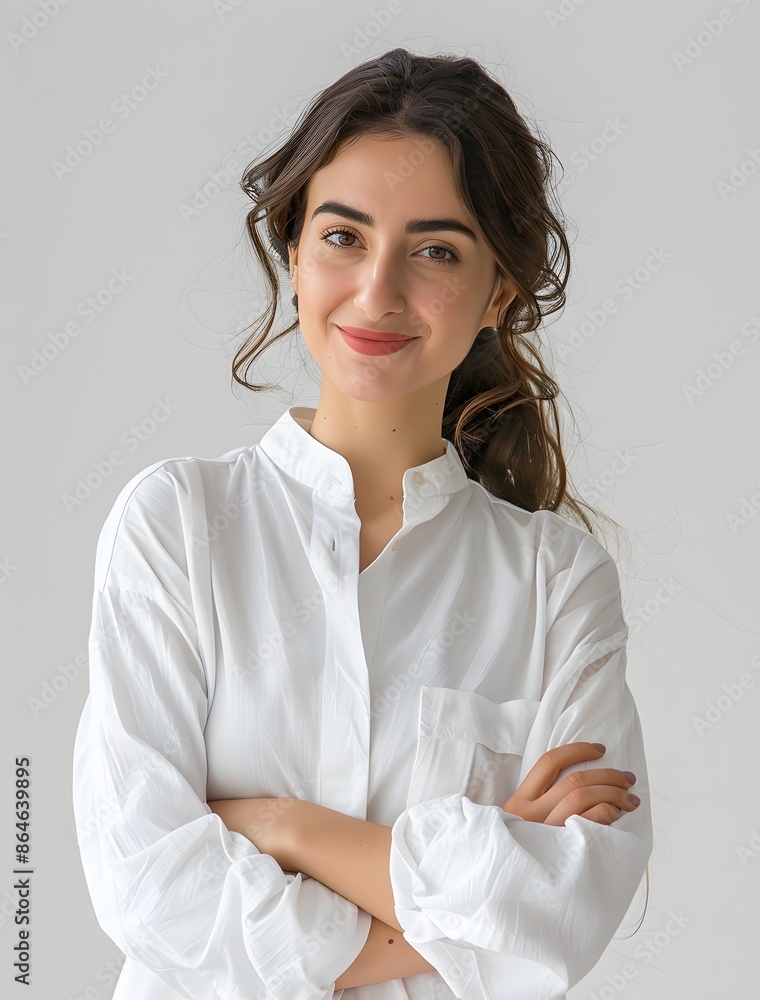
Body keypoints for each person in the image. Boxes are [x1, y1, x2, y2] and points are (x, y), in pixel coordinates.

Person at [72, 47, 653, 1000]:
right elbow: (146, 884)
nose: (378, 292)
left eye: (433, 250)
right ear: (294, 250)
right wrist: (467, 900)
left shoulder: (558, 582)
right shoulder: (176, 525)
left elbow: (566, 909)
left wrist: (283, 826)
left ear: (498, 292)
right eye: (343, 236)